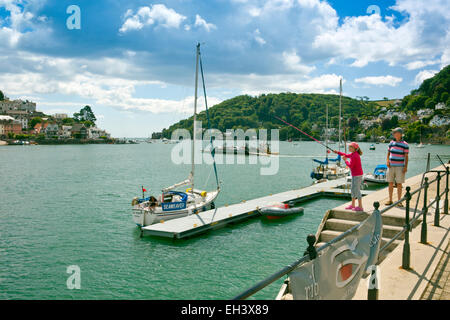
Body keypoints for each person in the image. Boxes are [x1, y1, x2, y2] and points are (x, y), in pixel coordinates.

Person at [334, 142, 364, 212]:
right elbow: (346, 155)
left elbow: (350, 166)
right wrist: (338, 152)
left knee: (357, 190)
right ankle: (353, 205)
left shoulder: (355, 156)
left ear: (355, 148)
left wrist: (345, 161)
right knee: (353, 189)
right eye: (349, 147)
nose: (349, 148)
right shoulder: (353, 154)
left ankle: (360, 206)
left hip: (357, 175)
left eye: (351, 147)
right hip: (355, 175)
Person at [385, 128, 409, 207]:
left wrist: (405, 166)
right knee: (390, 183)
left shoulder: (405, 144)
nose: (394, 134)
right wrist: (387, 161)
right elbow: (388, 153)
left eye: (396, 132)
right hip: (391, 166)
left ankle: (399, 201)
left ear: (400, 134)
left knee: (399, 184)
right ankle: (390, 200)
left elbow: (406, 156)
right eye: (394, 133)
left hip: (400, 167)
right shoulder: (391, 143)